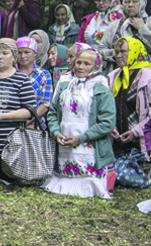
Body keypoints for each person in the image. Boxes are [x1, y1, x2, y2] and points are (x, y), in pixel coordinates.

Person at [42, 49, 115, 199]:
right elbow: (52, 114)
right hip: (65, 148)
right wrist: (56, 133)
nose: (81, 67)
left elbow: (107, 123)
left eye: (87, 64)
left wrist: (81, 138)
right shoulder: (64, 87)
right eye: (79, 62)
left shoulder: (101, 90)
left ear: (96, 66)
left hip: (89, 151)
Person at [0, 38, 37, 183]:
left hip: (11, 147)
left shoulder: (21, 79)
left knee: (7, 178)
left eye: (5, 53)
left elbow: (29, 111)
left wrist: (3, 116)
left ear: (14, 56)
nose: (0, 56)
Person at [107, 37, 151, 174]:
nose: (118, 55)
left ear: (134, 51)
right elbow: (106, 108)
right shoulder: (113, 76)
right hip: (118, 140)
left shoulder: (147, 76)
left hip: (140, 142)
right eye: (116, 52)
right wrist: (110, 126)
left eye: (123, 52)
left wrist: (135, 132)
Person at [99, 0, 151, 67]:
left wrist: (142, 29)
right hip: (117, 74)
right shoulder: (114, 25)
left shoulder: (149, 22)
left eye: (135, 1)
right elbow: (100, 50)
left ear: (142, 4)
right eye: (127, 2)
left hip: (145, 74)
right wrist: (118, 53)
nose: (130, 5)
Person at [17, 36, 52, 128]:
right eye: (19, 52)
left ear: (35, 53)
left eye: (27, 52)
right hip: (13, 124)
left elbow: (45, 104)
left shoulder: (43, 74)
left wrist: (29, 120)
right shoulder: (12, 73)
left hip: (35, 126)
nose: (23, 56)